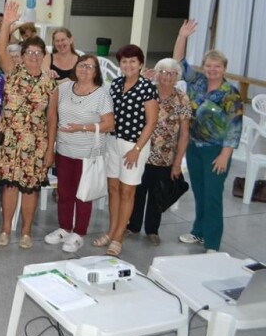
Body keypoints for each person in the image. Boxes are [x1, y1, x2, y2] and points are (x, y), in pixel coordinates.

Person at [0, 1, 57, 250]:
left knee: (30, 189)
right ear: (22, 54)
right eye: (29, 53)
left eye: (38, 54)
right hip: (10, 139)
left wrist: (50, 149)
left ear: (44, 57)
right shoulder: (13, 72)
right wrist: (7, 22)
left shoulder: (50, 84)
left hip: (35, 142)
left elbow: (52, 119)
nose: (33, 57)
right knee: (10, 186)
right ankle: (6, 229)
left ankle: (27, 231)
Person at [173, 20, 243, 252]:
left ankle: (212, 242)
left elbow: (234, 127)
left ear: (224, 68)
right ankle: (198, 231)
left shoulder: (230, 93)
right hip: (194, 148)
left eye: (217, 66)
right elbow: (179, 62)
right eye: (209, 66)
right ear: (203, 67)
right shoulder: (197, 82)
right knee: (200, 193)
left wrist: (224, 155)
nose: (212, 70)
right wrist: (183, 36)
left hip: (216, 151)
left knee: (213, 197)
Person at [44, 55, 114, 252]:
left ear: (96, 72)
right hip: (64, 150)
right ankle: (64, 228)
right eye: (82, 65)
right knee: (64, 193)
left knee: (83, 194)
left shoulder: (101, 94)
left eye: (90, 67)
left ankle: (79, 233)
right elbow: (52, 117)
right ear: (76, 67)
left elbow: (109, 124)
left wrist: (81, 127)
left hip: (87, 153)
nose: (85, 69)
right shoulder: (63, 89)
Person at [93, 44, 158, 257]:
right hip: (113, 142)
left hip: (134, 145)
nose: (128, 65)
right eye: (124, 61)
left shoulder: (147, 87)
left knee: (127, 191)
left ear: (140, 64)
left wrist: (137, 149)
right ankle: (112, 230)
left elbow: (151, 122)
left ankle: (119, 236)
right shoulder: (116, 84)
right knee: (113, 189)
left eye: (132, 61)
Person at [126, 58, 191, 245]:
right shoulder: (147, 91)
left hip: (165, 156)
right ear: (157, 73)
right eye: (163, 72)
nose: (167, 77)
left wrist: (178, 162)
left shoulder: (181, 98)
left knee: (157, 194)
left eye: (172, 73)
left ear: (177, 76)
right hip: (142, 151)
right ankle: (133, 226)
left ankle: (152, 230)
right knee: (137, 191)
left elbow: (184, 133)